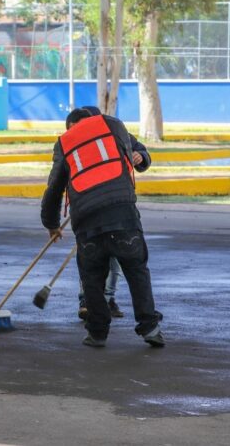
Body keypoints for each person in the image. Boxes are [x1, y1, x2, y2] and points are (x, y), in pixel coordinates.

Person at [41, 108, 165, 348]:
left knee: (91, 277)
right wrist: (141, 158)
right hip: (122, 213)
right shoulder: (113, 125)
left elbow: (54, 187)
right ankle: (150, 327)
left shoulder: (65, 142)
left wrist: (51, 224)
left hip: (87, 218)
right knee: (136, 271)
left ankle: (97, 332)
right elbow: (136, 152)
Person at [76, 106, 152, 320]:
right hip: (88, 207)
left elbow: (142, 152)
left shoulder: (118, 134)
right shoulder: (75, 142)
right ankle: (87, 300)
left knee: (116, 260)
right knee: (90, 260)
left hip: (117, 207)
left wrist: (141, 156)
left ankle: (107, 299)